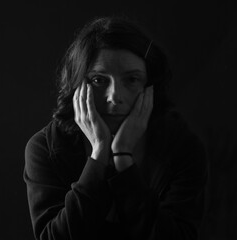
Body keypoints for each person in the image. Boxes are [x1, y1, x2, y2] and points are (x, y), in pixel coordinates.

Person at [24, 16, 207, 240]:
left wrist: (123, 159)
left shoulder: (182, 149)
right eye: (99, 80)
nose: (114, 97)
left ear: (150, 87)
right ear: (78, 86)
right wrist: (99, 154)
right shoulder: (46, 148)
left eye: (131, 80)